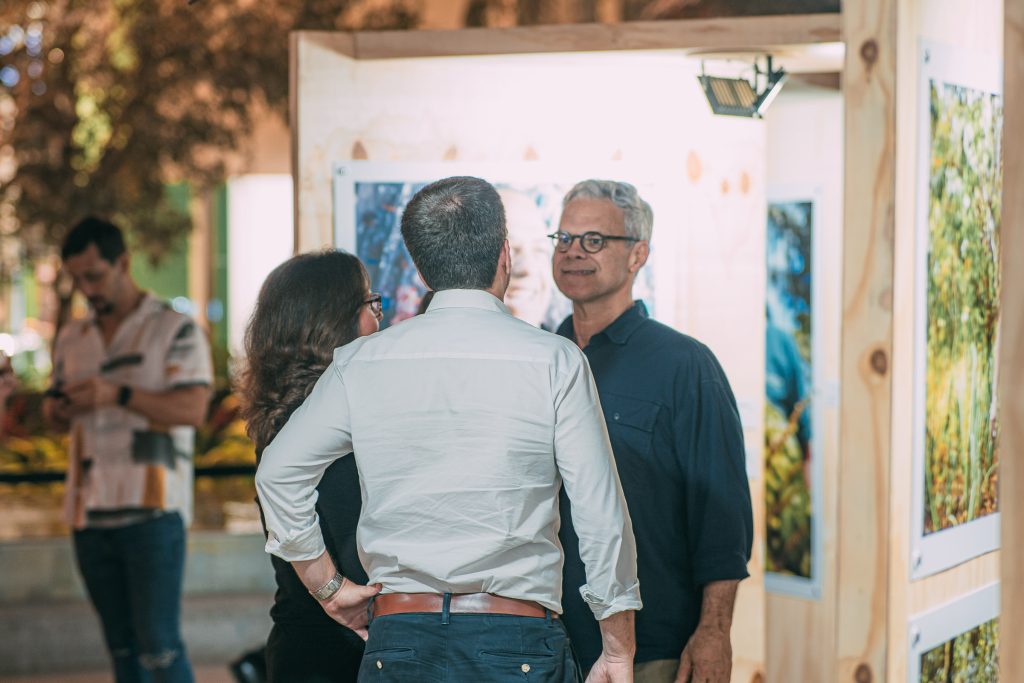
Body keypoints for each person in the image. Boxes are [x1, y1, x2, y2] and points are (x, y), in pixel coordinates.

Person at [255, 176, 641, 683]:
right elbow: (599, 515)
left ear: (421, 268)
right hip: (517, 640)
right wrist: (617, 648)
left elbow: (278, 476)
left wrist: (327, 587)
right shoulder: (555, 361)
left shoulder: (361, 363)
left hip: (399, 639)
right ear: (505, 255)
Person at [551, 180, 753, 683]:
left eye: (594, 240)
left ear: (637, 253)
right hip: (544, 647)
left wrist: (714, 632)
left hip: (651, 649)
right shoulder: (540, 359)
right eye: (564, 238)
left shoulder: (685, 366)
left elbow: (722, 518)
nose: (574, 252)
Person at [43, 217, 212, 683]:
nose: (85, 288)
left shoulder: (173, 328)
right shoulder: (73, 336)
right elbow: (53, 412)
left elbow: (193, 408)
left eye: (94, 275)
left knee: (159, 648)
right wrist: (58, 410)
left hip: (152, 510)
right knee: (121, 650)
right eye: (77, 278)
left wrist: (115, 395)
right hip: (89, 512)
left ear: (124, 262)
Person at [239, 250, 381, 682]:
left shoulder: (285, 412)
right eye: (370, 304)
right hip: (337, 647)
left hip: (305, 642)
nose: (380, 319)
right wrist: (334, 590)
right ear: (334, 320)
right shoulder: (325, 421)